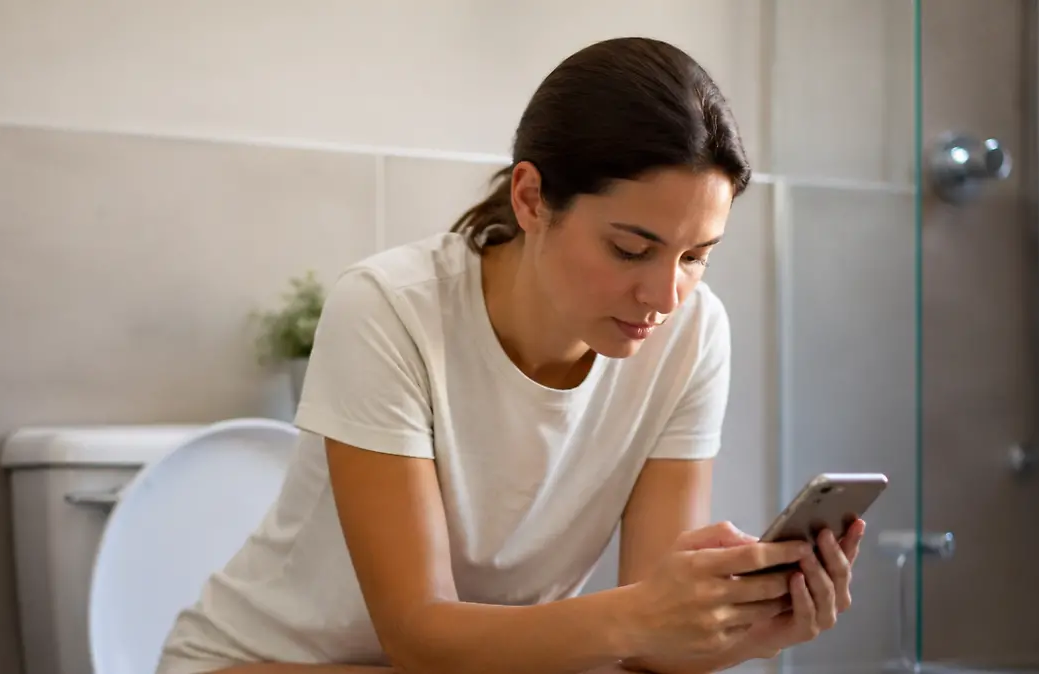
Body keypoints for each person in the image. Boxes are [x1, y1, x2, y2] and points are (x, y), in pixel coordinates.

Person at [155, 36, 866, 674]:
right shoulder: (390, 308)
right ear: (531, 198)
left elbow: (652, 645)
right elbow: (420, 640)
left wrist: (752, 632)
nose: (665, 294)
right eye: (630, 249)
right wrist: (644, 613)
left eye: (696, 257)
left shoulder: (694, 334)